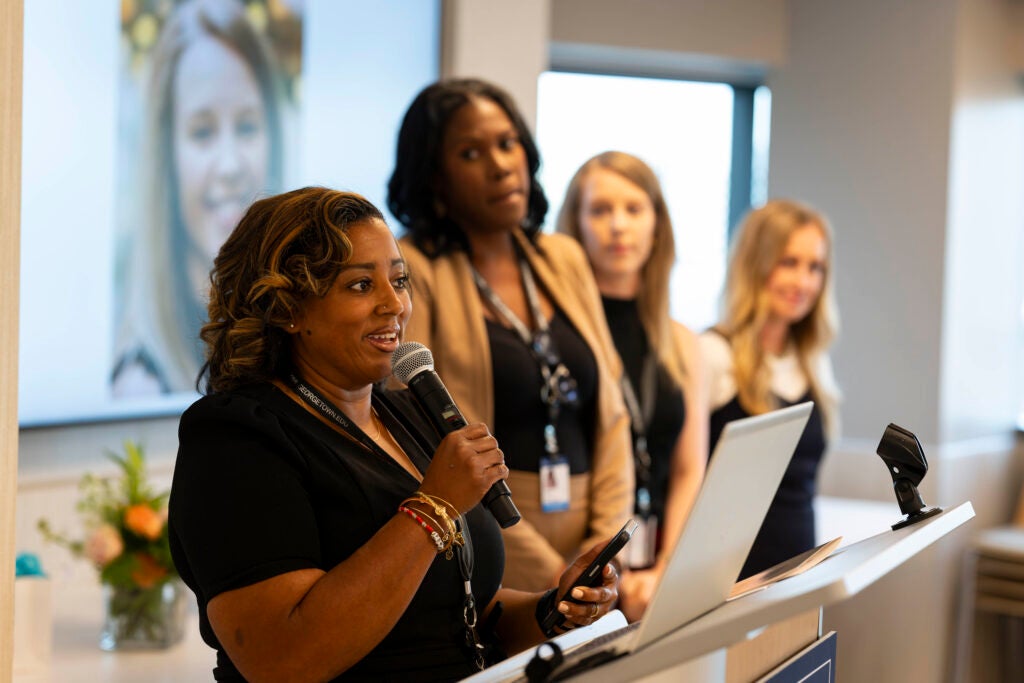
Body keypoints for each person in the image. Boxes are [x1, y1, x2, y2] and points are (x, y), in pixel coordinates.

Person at [168, 187, 620, 682]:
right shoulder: (236, 439)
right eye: (361, 285)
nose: (395, 304)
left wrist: (554, 609)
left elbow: (461, 613)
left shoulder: (411, 413)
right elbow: (280, 660)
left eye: (399, 280)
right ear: (287, 309)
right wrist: (433, 508)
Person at [387, 78, 634, 592]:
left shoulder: (561, 257)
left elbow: (611, 415)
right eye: (471, 152)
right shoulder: (415, 270)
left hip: (593, 554)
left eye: (507, 143)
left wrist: (607, 551)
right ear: (435, 177)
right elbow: (427, 441)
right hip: (487, 549)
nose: (500, 164)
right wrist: (558, 583)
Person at [556, 151, 708, 621]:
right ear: (576, 225)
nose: (618, 226)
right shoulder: (554, 335)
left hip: (656, 577)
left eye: (634, 209)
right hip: (571, 573)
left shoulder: (681, 342)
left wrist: (666, 568)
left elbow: (688, 469)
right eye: (600, 210)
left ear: (657, 225)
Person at [112, 0, 286, 397]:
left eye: (246, 126)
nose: (230, 166)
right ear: (165, 158)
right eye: (203, 133)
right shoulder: (140, 383)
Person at [699, 199, 840, 580]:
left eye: (815, 268)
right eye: (789, 263)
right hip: (729, 583)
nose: (804, 282)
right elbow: (686, 481)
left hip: (799, 574)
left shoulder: (813, 362)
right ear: (756, 264)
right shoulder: (713, 354)